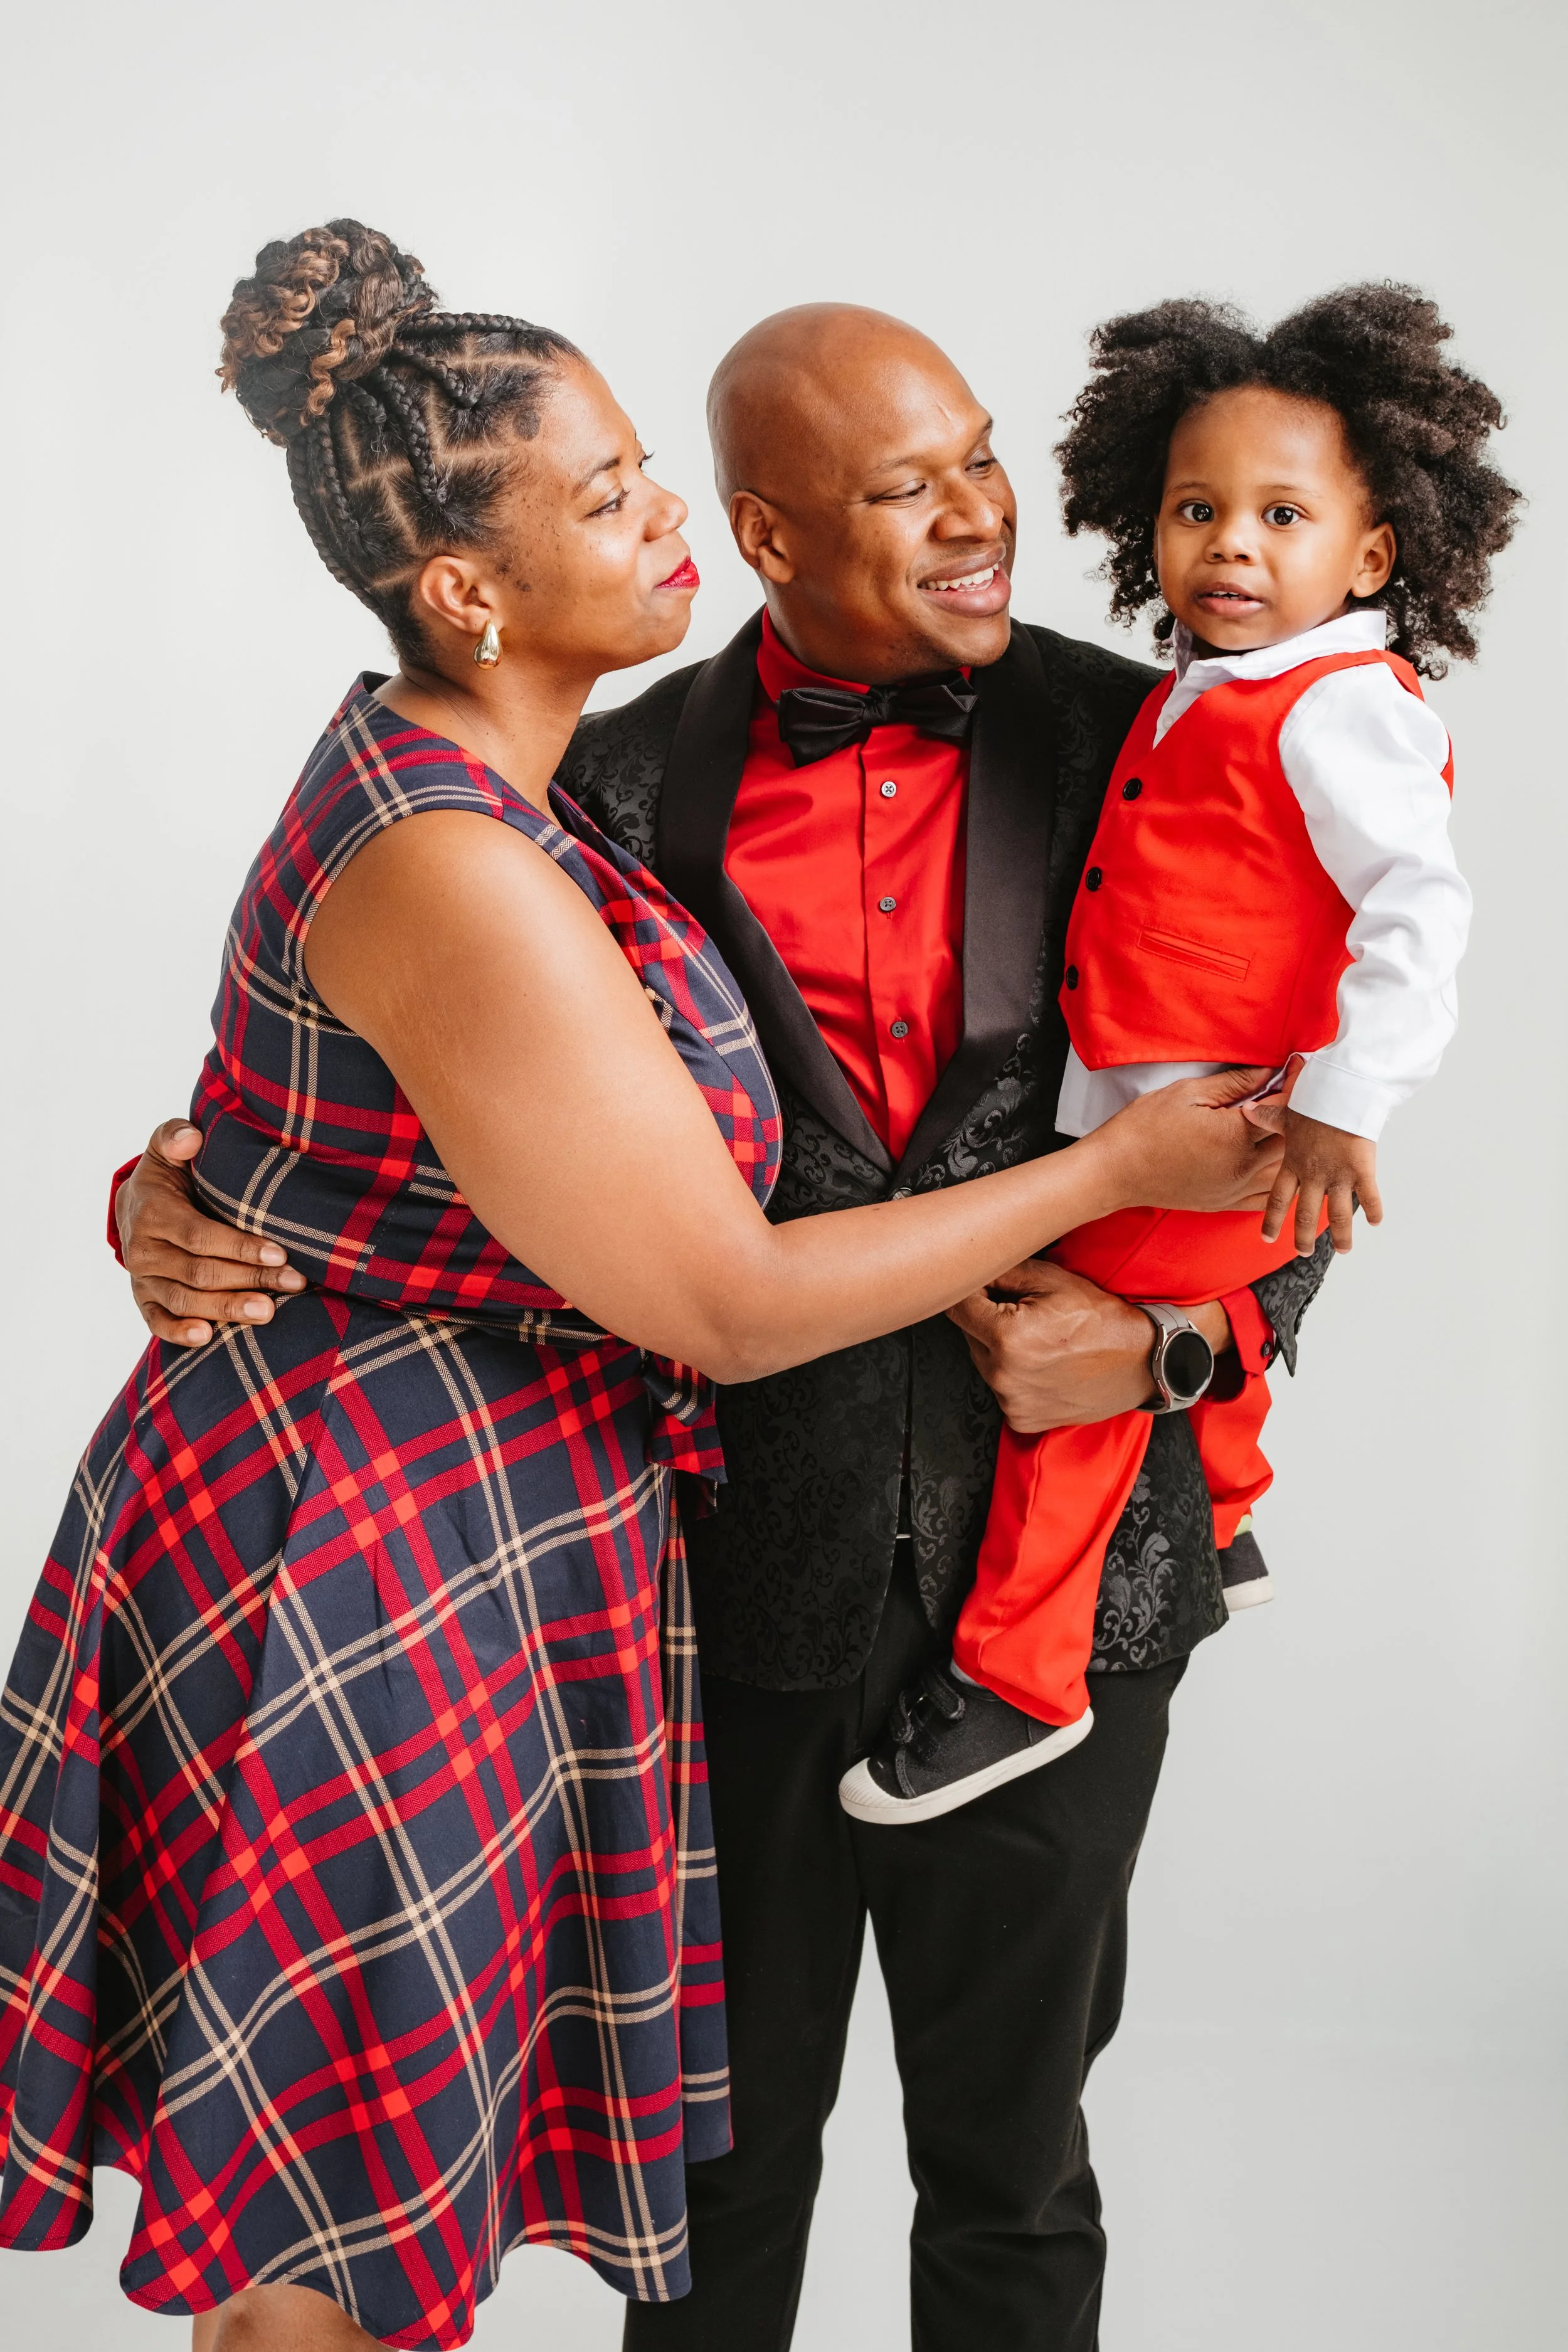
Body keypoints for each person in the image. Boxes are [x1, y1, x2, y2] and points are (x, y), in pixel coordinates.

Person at [108, 297, 1318, 2352]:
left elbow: (1294, 1136)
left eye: (978, 459)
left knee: (1014, 2179)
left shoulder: (1161, 742)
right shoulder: (599, 779)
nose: (972, 520)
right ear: (764, 536)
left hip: (1071, 1600)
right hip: (712, 1595)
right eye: (899, 486)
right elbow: (422, 1085)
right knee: (713, 2194)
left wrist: (1187, 1351)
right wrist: (180, 1192)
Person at [843, 284, 1517, 1823]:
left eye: (1281, 515)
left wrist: (1345, 1108)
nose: (1227, 543)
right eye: (1194, 508)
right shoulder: (1226, 688)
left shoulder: (1339, 708)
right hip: (1146, 1078)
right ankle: (1227, 1512)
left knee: (1070, 1361)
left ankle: (1019, 1685)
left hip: (1208, 1106)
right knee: (1136, 1304)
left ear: (1369, 555)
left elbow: (1420, 906)